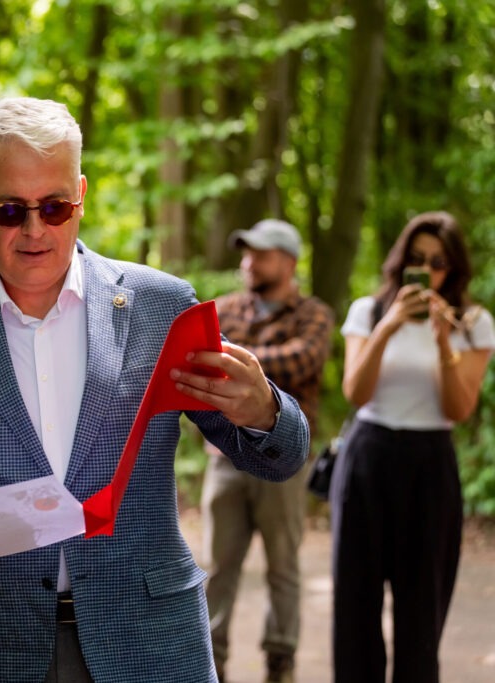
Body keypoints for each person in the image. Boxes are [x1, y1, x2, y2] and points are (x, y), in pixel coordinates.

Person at [0, 96, 310, 683]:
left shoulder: (161, 304)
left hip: (146, 640)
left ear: (82, 197)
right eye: (11, 210)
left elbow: (280, 460)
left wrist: (266, 411)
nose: (36, 230)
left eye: (55, 206)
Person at [332, 211, 493, 683]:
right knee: (355, 607)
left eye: (439, 261)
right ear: (401, 261)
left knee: (422, 611)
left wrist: (445, 344)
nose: (429, 269)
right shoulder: (369, 311)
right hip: (368, 456)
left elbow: (460, 408)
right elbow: (356, 392)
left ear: (454, 267)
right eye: (417, 259)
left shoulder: (473, 322)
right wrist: (390, 326)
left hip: (430, 464)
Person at [201, 219, 334, 683]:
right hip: (224, 462)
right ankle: (210, 662)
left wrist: (237, 359)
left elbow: (304, 358)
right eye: (245, 253)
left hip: (285, 462)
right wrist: (243, 360)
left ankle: (281, 661)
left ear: (289, 261)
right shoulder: (226, 308)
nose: (248, 262)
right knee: (218, 567)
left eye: (259, 254)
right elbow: (200, 361)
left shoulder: (313, 314)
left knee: (283, 566)